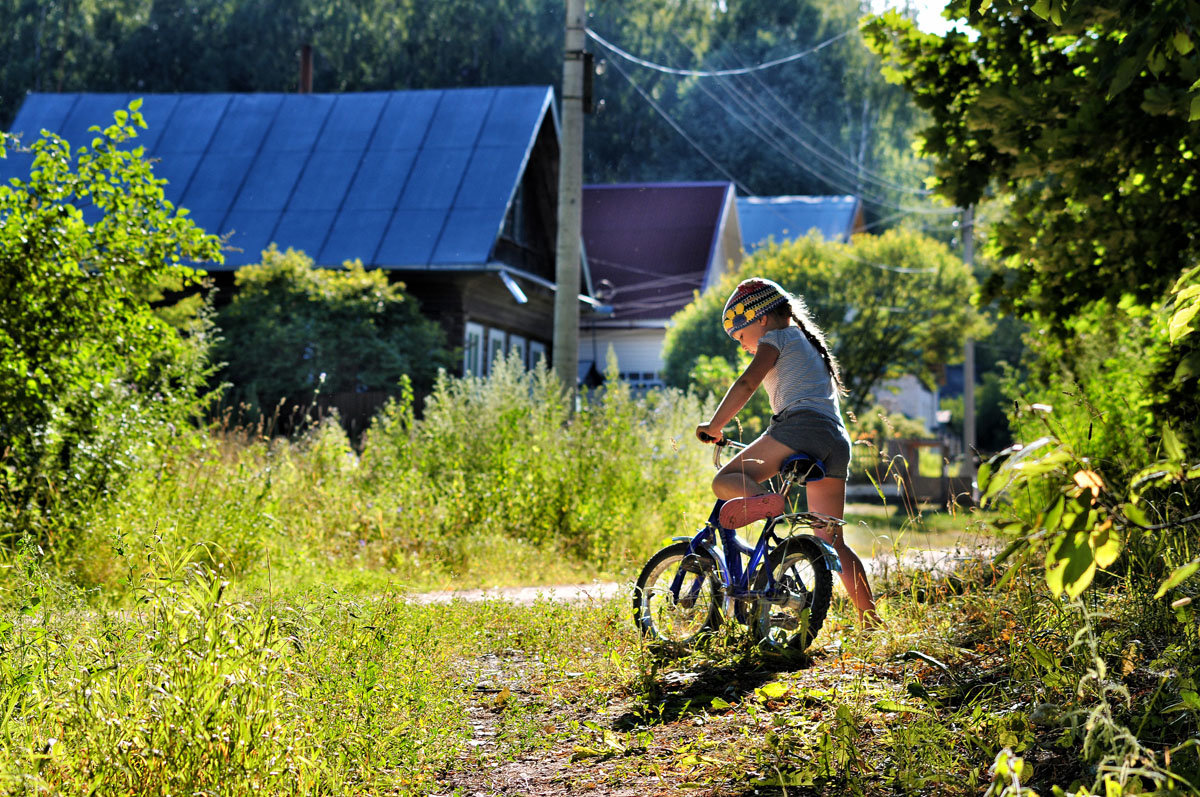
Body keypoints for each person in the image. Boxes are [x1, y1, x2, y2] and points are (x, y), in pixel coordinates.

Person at [695, 277, 878, 626]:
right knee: (832, 540)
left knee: (727, 480)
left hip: (798, 429)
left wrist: (715, 426)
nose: (743, 345)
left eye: (740, 336)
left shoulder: (776, 338)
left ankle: (771, 507)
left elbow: (747, 382)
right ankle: (870, 619)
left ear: (760, 319)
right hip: (835, 442)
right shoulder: (807, 344)